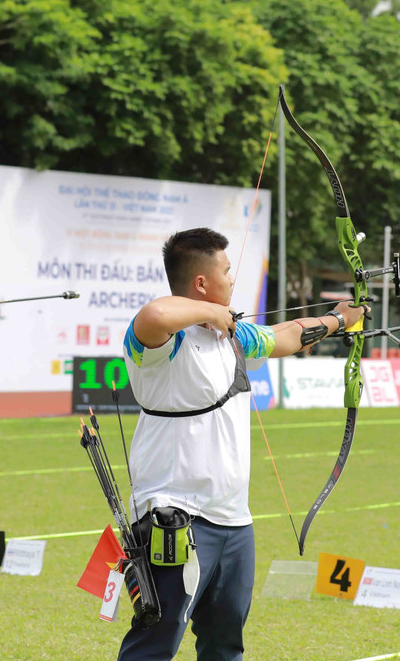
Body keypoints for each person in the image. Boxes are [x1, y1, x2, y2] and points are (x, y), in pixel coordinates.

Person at [119, 227, 366, 661]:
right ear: (201, 283)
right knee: (154, 645)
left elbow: (286, 335)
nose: (233, 279)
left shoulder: (232, 337)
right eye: (227, 271)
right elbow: (155, 314)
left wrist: (339, 319)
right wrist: (211, 314)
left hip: (233, 522)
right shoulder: (163, 344)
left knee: (225, 646)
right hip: (174, 517)